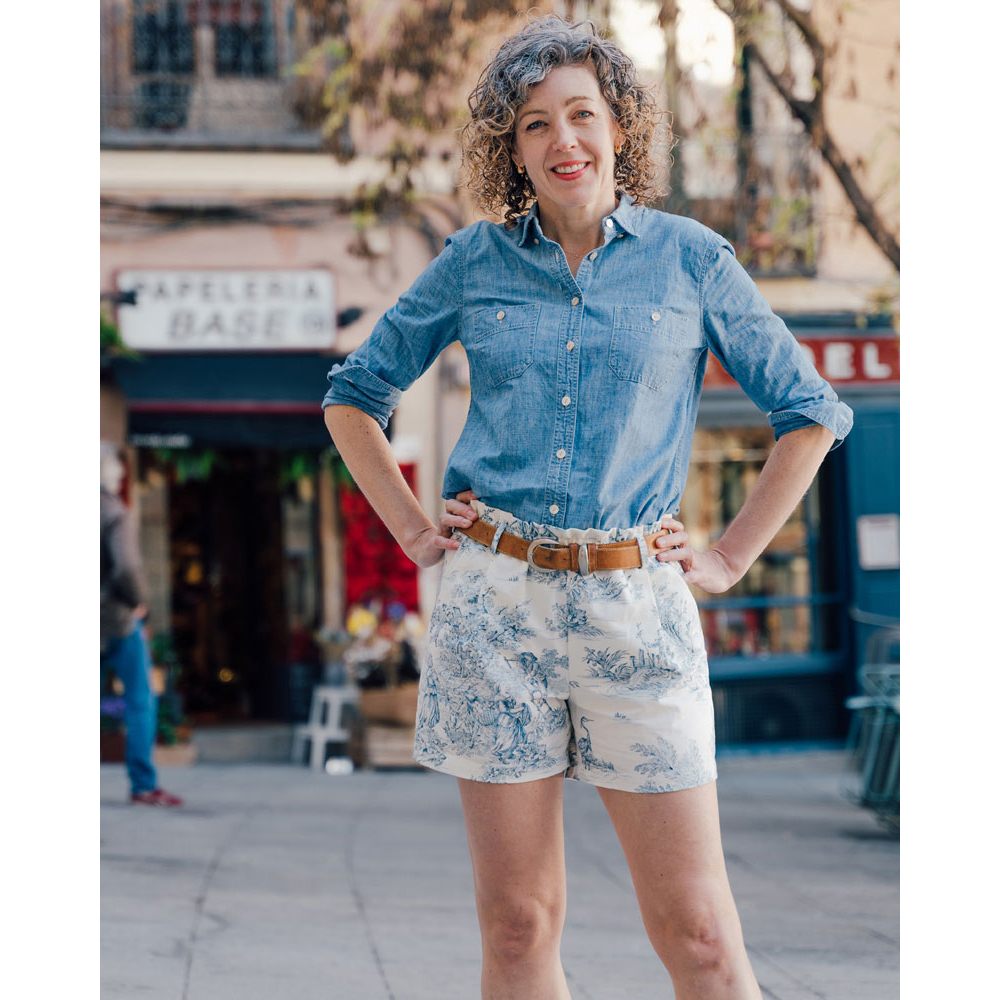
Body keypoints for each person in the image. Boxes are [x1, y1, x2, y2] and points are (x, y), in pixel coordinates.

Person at [322, 16, 853, 998]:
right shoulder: (474, 261)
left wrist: (729, 557)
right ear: (512, 149)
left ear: (619, 128)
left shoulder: (691, 260)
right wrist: (411, 528)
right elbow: (354, 395)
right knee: (518, 924)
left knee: (699, 932)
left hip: (636, 610)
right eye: (534, 124)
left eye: (581, 115)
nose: (562, 140)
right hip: (495, 612)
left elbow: (810, 413)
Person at [100, 442, 183, 808]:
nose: (120, 473)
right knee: (139, 700)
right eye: (114, 466)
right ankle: (144, 785)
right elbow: (127, 568)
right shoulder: (112, 511)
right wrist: (138, 603)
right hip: (116, 619)